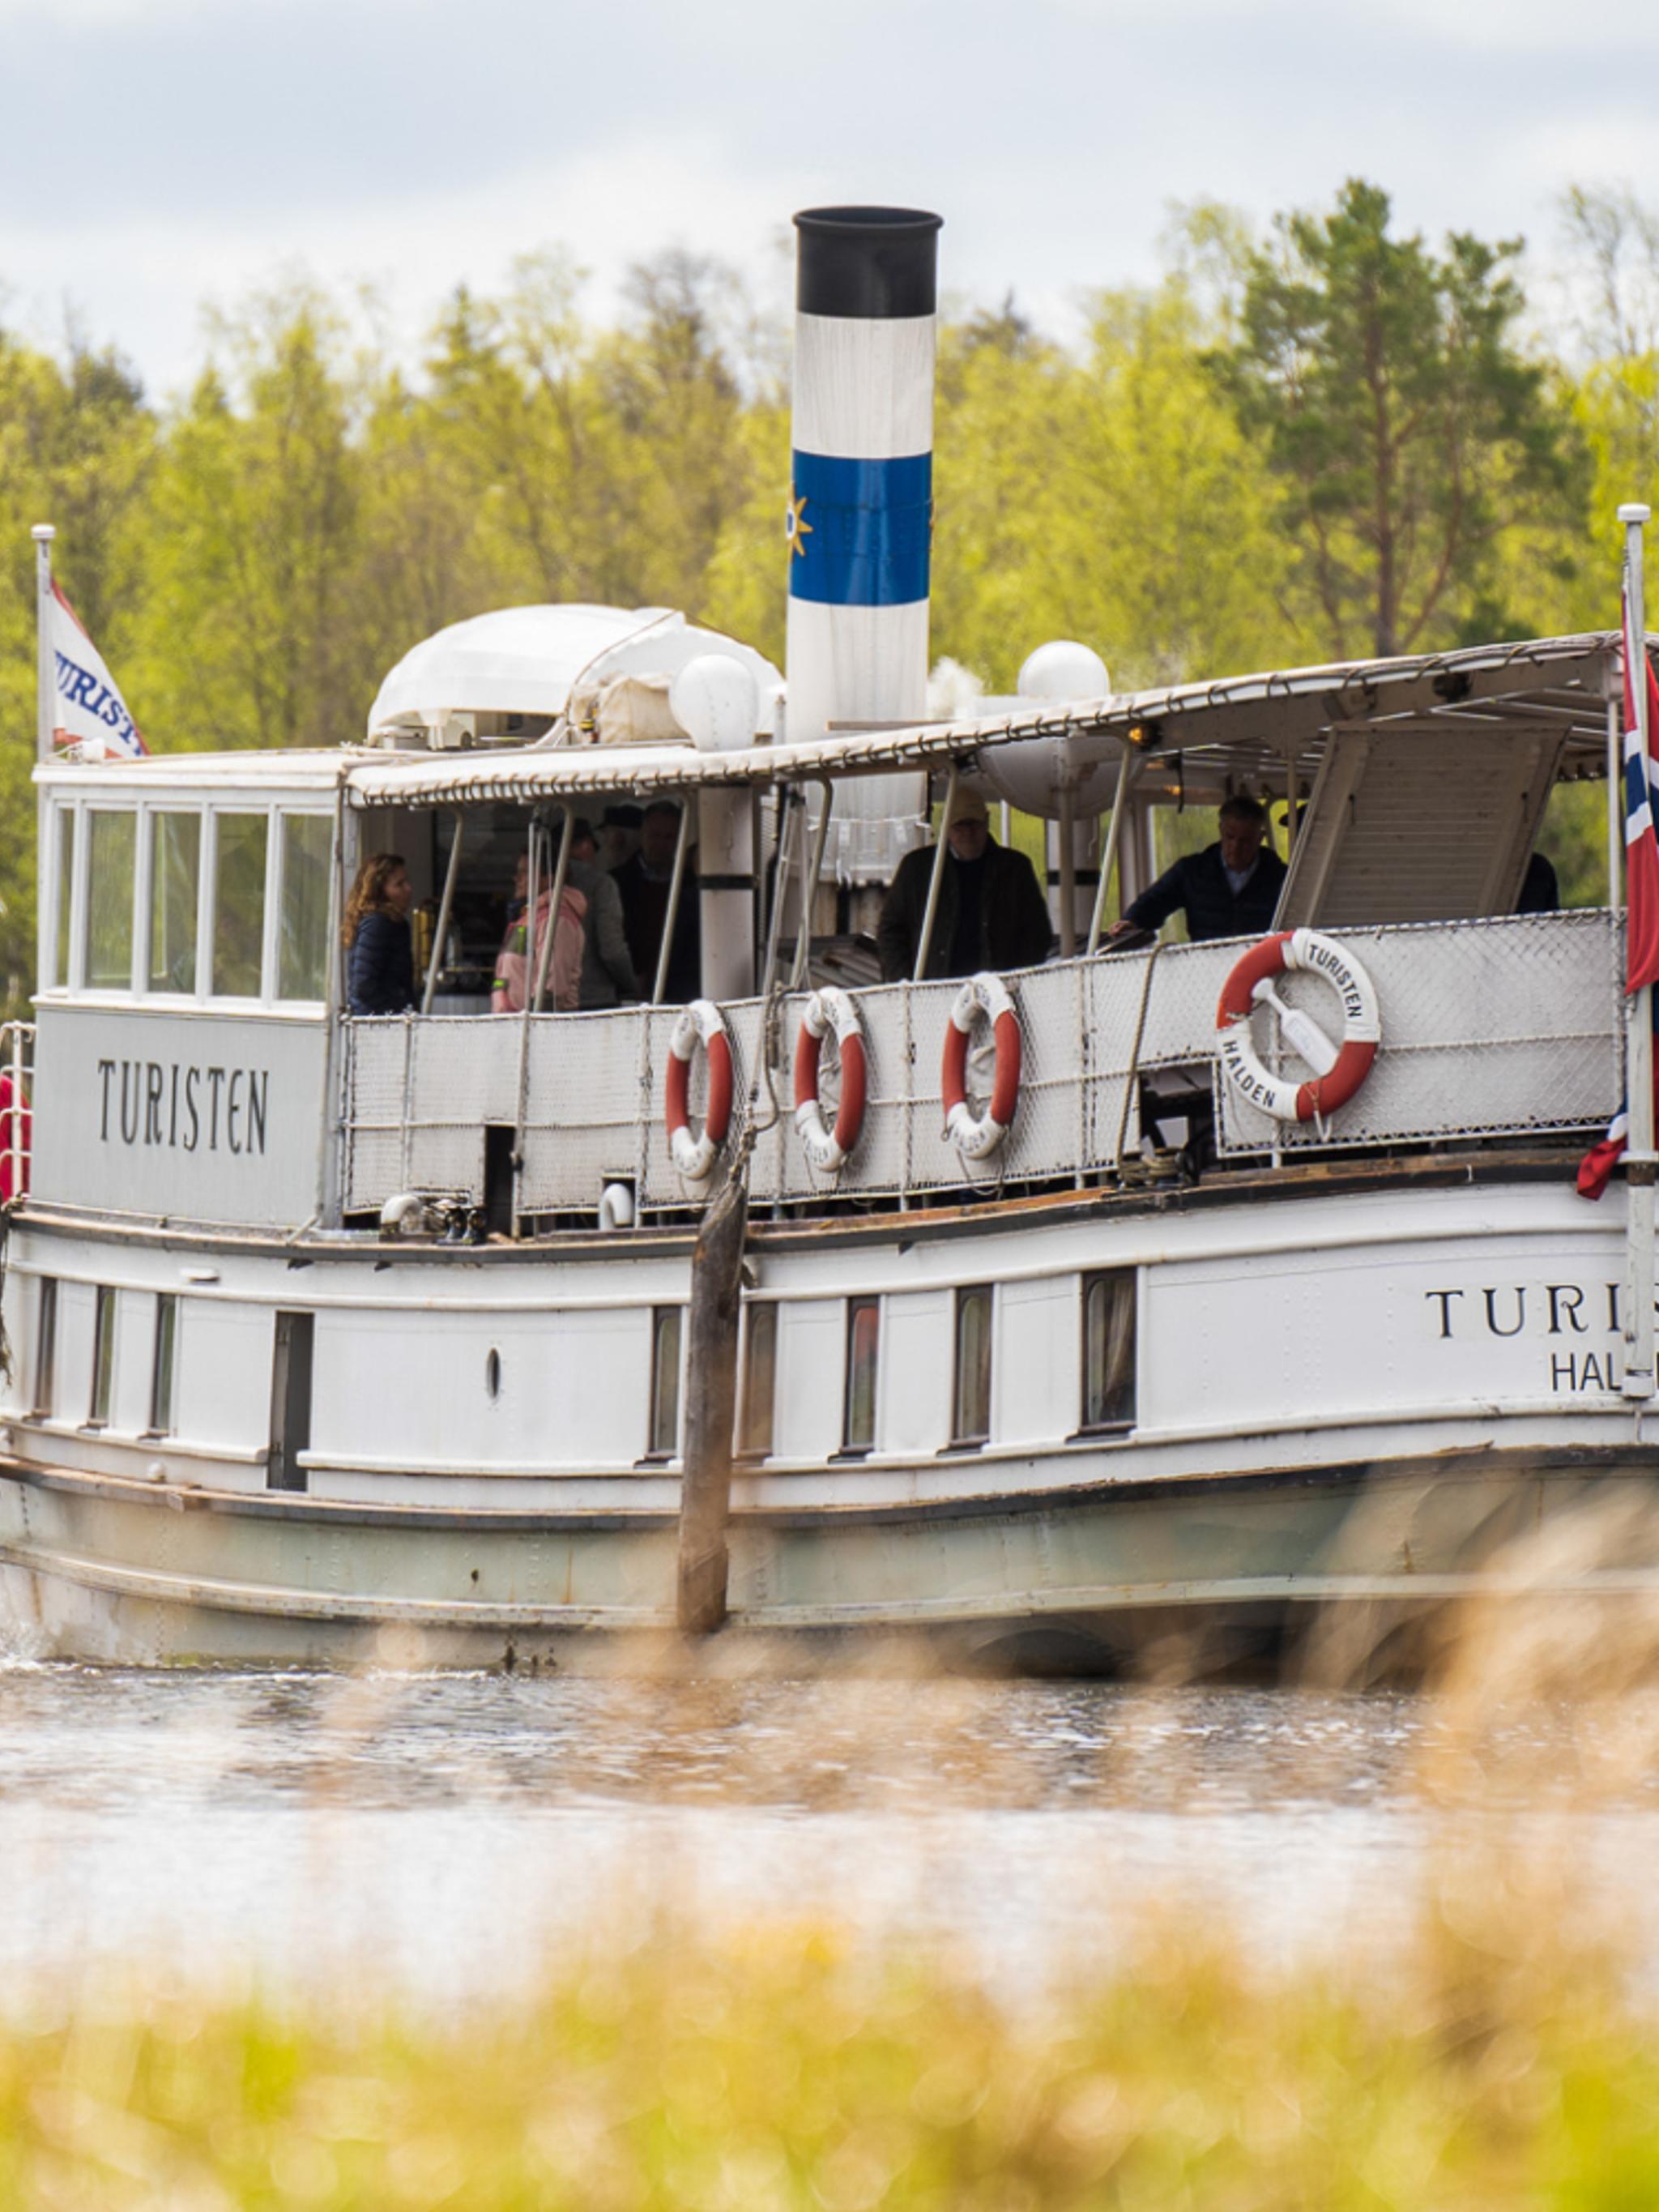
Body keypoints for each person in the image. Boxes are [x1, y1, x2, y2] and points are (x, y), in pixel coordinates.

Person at [876, 788, 1052, 983]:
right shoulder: (917, 869)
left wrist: (1016, 981)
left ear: (986, 821)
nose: (969, 833)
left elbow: (1037, 933)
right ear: (946, 828)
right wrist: (905, 982)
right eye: (960, 825)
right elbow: (890, 931)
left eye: (975, 824)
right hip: (931, 992)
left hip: (998, 993)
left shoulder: (1015, 869)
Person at [1103, 794, 1287, 948]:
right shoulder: (1192, 872)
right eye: (1230, 837)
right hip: (1204, 966)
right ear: (1220, 830)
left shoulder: (1282, 878)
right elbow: (1156, 901)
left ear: (1260, 838)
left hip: (1260, 969)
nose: (1235, 847)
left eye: (1245, 841)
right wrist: (1132, 921)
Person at [615, 800, 700, 1002]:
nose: (661, 844)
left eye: (669, 837)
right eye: (655, 835)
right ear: (643, 834)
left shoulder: (692, 885)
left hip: (680, 990)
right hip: (631, 989)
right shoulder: (618, 882)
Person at [559, 817, 638, 1007]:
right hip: (593, 998)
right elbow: (612, 950)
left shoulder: (536, 881)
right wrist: (632, 986)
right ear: (587, 846)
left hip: (547, 999)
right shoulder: (601, 884)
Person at [343, 852, 416, 1015]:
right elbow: (364, 984)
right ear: (380, 892)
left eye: (407, 882)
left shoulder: (390, 923)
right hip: (377, 1024)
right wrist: (398, 1010)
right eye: (399, 884)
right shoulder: (379, 924)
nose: (408, 889)